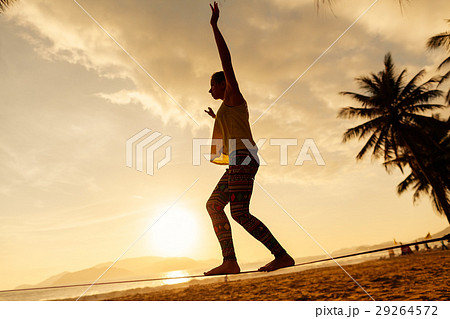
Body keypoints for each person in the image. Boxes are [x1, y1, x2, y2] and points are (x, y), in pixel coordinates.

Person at [203, 2, 295, 276]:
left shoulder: (233, 94)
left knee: (240, 213)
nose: (210, 90)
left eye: (212, 85)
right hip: (237, 159)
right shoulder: (226, 107)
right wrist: (214, 119)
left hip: (243, 158)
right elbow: (234, 126)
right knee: (214, 205)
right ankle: (230, 260)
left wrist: (214, 27)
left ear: (223, 84)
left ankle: (281, 256)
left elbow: (226, 62)